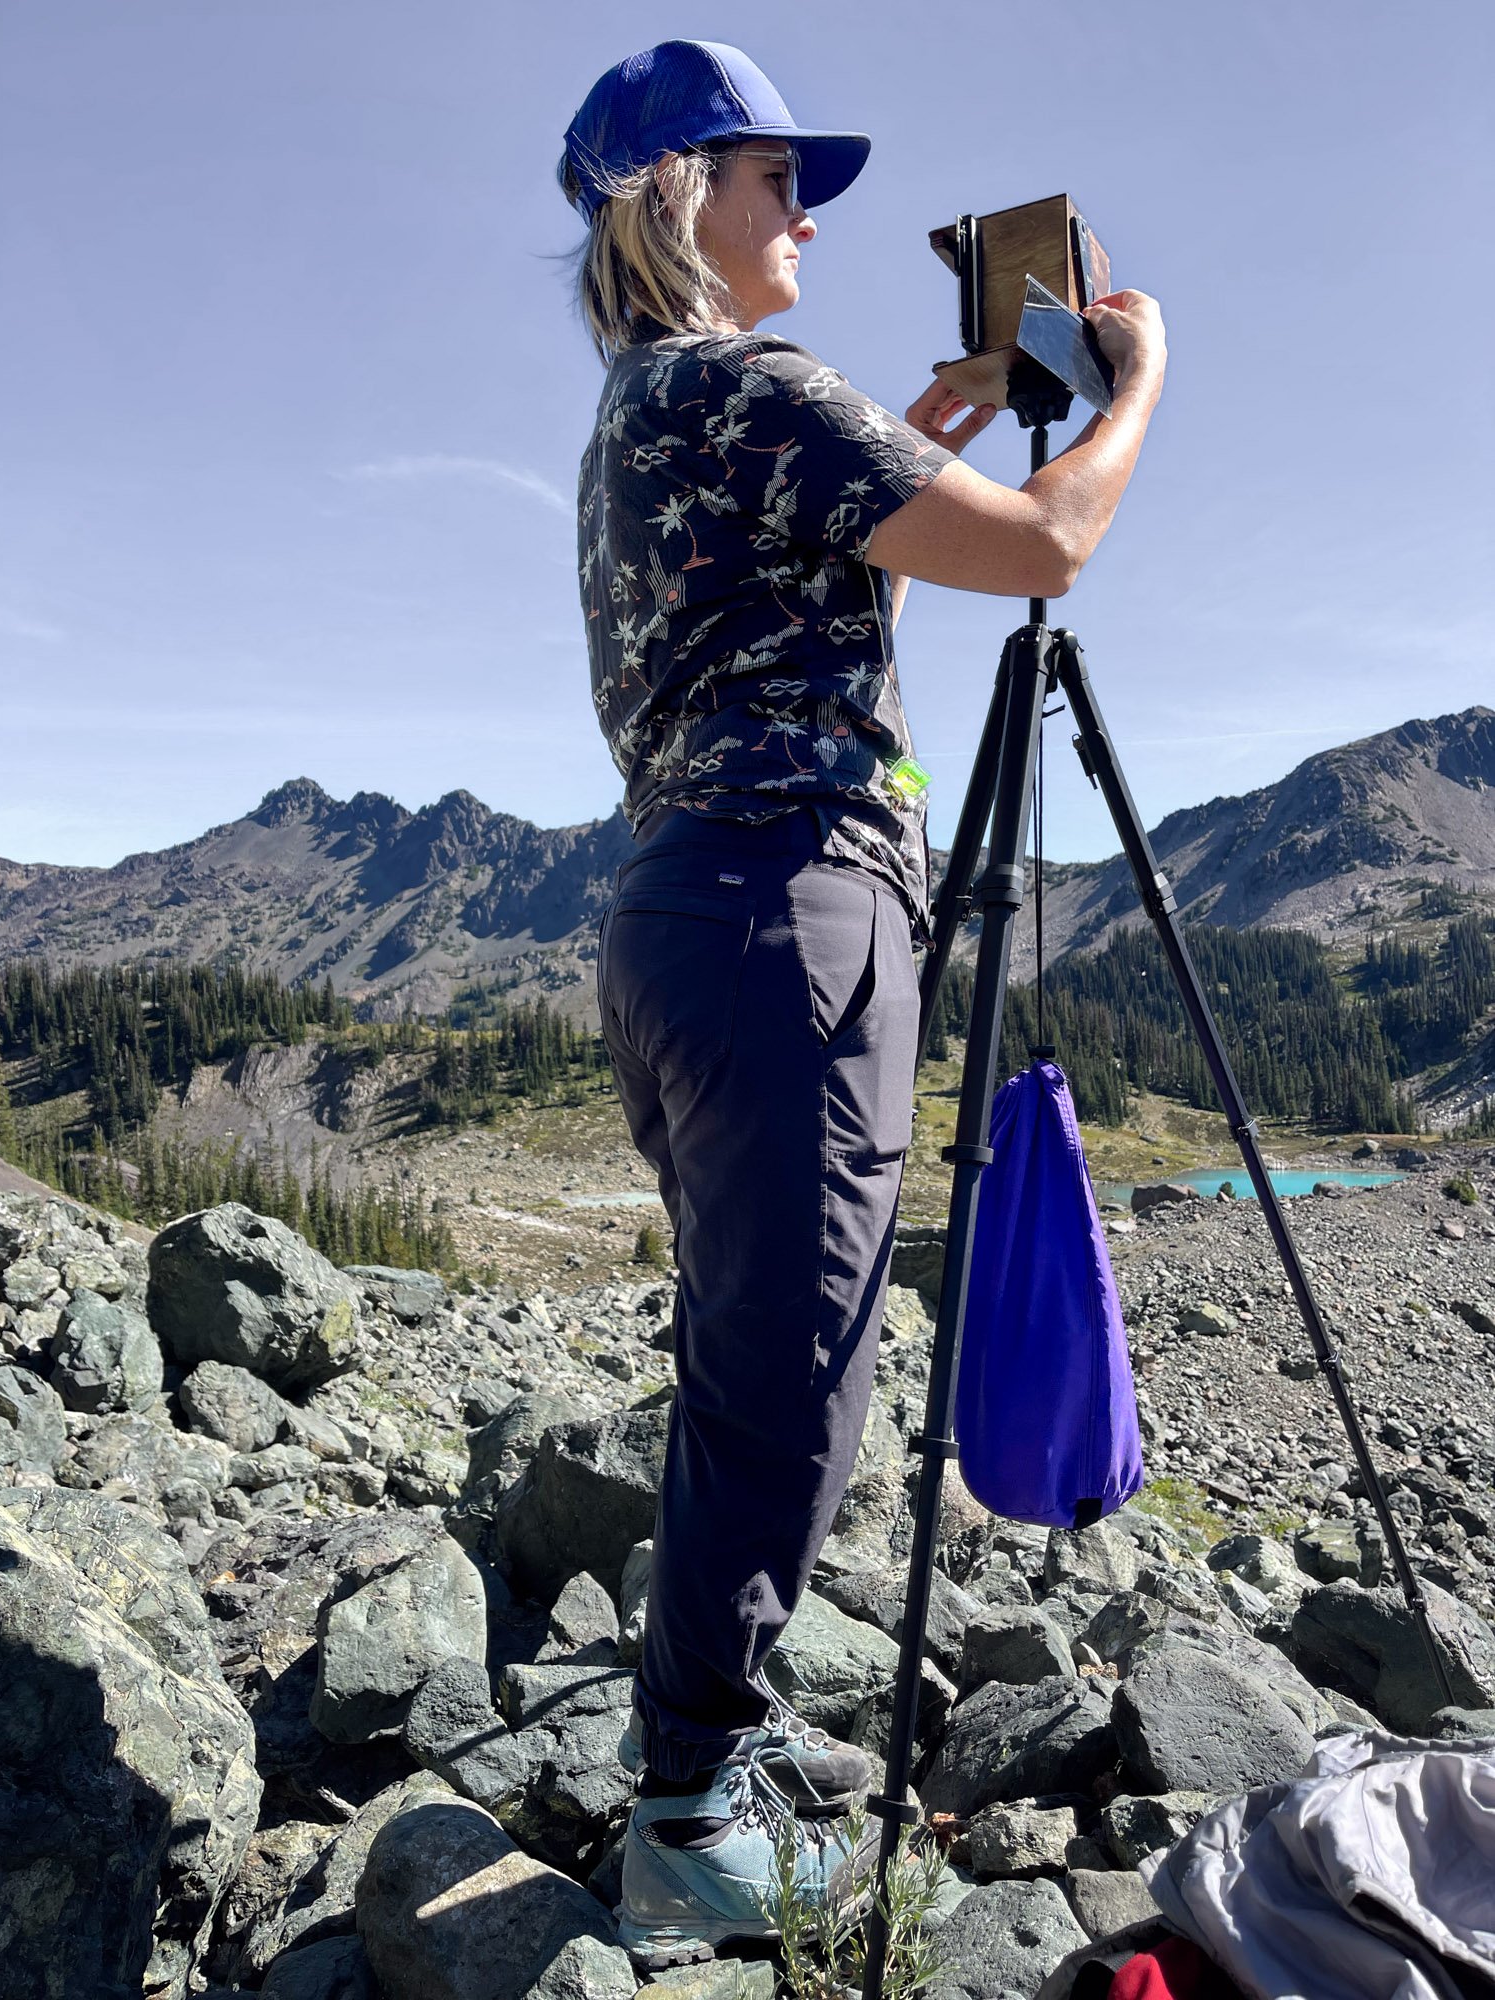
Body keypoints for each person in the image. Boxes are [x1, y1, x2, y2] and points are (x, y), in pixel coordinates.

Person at [558, 39, 1166, 1969]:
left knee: (755, 1347)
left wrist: (953, 414)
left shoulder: (652, 416)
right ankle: (688, 1821)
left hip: (687, 912)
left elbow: (843, 586)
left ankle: (700, 1761)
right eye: (770, 176)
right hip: (788, 907)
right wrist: (1128, 393)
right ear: (677, 196)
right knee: (796, 1364)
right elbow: (1048, 551)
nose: (803, 209)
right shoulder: (752, 387)